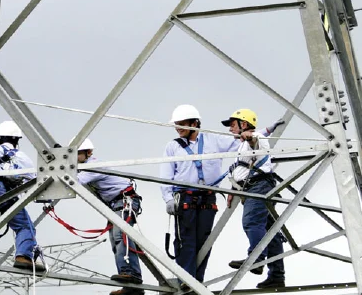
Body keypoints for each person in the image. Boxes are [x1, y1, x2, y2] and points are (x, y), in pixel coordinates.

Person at [159, 104, 283, 291]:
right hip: (185, 197)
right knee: (186, 240)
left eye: (182, 123)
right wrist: (168, 198)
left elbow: (246, 141)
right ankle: (186, 278)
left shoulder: (213, 140)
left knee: (204, 241)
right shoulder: (172, 147)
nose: (179, 127)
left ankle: (196, 280)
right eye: (177, 124)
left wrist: (265, 131)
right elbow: (166, 174)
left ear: (195, 123)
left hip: (208, 199)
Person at [0, 121, 45, 287]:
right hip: (1, 190)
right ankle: (23, 257)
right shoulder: (22, 157)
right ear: (16, 139)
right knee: (24, 227)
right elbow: (33, 180)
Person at [222, 109, 285, 289]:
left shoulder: (252, 139)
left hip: (258, 186)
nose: (230, 129)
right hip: (257, 186)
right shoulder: (245, 142)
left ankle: (256, 259)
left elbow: (255, 141)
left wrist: (250, 137)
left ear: (244, 124)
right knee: (270, 233)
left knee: (251, 222)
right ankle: (277, 275)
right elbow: (258, 139)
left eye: (233, 125)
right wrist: (234, 188)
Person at [76, 139, 144, 295]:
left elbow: (76, 182)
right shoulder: (85, 168)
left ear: (89, 153)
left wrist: (61, 168)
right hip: (116, 204)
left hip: (125, 201)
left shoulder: (93, 166)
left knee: (122, 236)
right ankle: (131, 288)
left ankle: (131, 273)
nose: (75, 158)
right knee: (116, 241)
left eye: (78, 154)